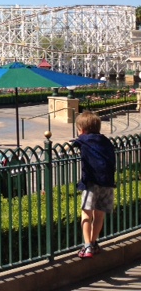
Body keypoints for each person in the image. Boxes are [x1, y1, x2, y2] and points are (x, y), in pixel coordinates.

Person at [71, 111, 116, 258]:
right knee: (99, 214)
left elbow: (72, 144)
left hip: (92, 183)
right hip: (108, 183)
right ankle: (94, 242)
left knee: (86, 214)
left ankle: (87, 246)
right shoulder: (106, 141)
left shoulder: (83, 140)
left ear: (82, 130)